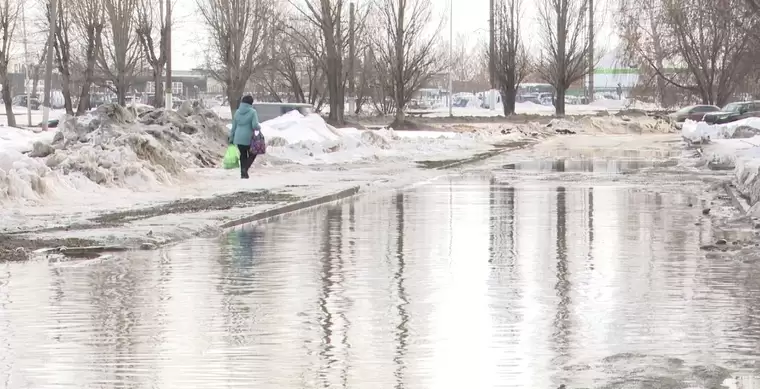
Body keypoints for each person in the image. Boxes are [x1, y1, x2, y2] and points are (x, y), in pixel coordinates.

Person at [228, 95, 260, 179]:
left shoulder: (237, 112)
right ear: (251, 103)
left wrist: (231, 137)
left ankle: (243, 174)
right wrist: (258, 127)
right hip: (248, 137)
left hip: (238, 137)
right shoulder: (253, 112)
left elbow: (234, 126)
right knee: (253, 153)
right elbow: (255, 125)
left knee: (243, 154)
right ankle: (245, 169)